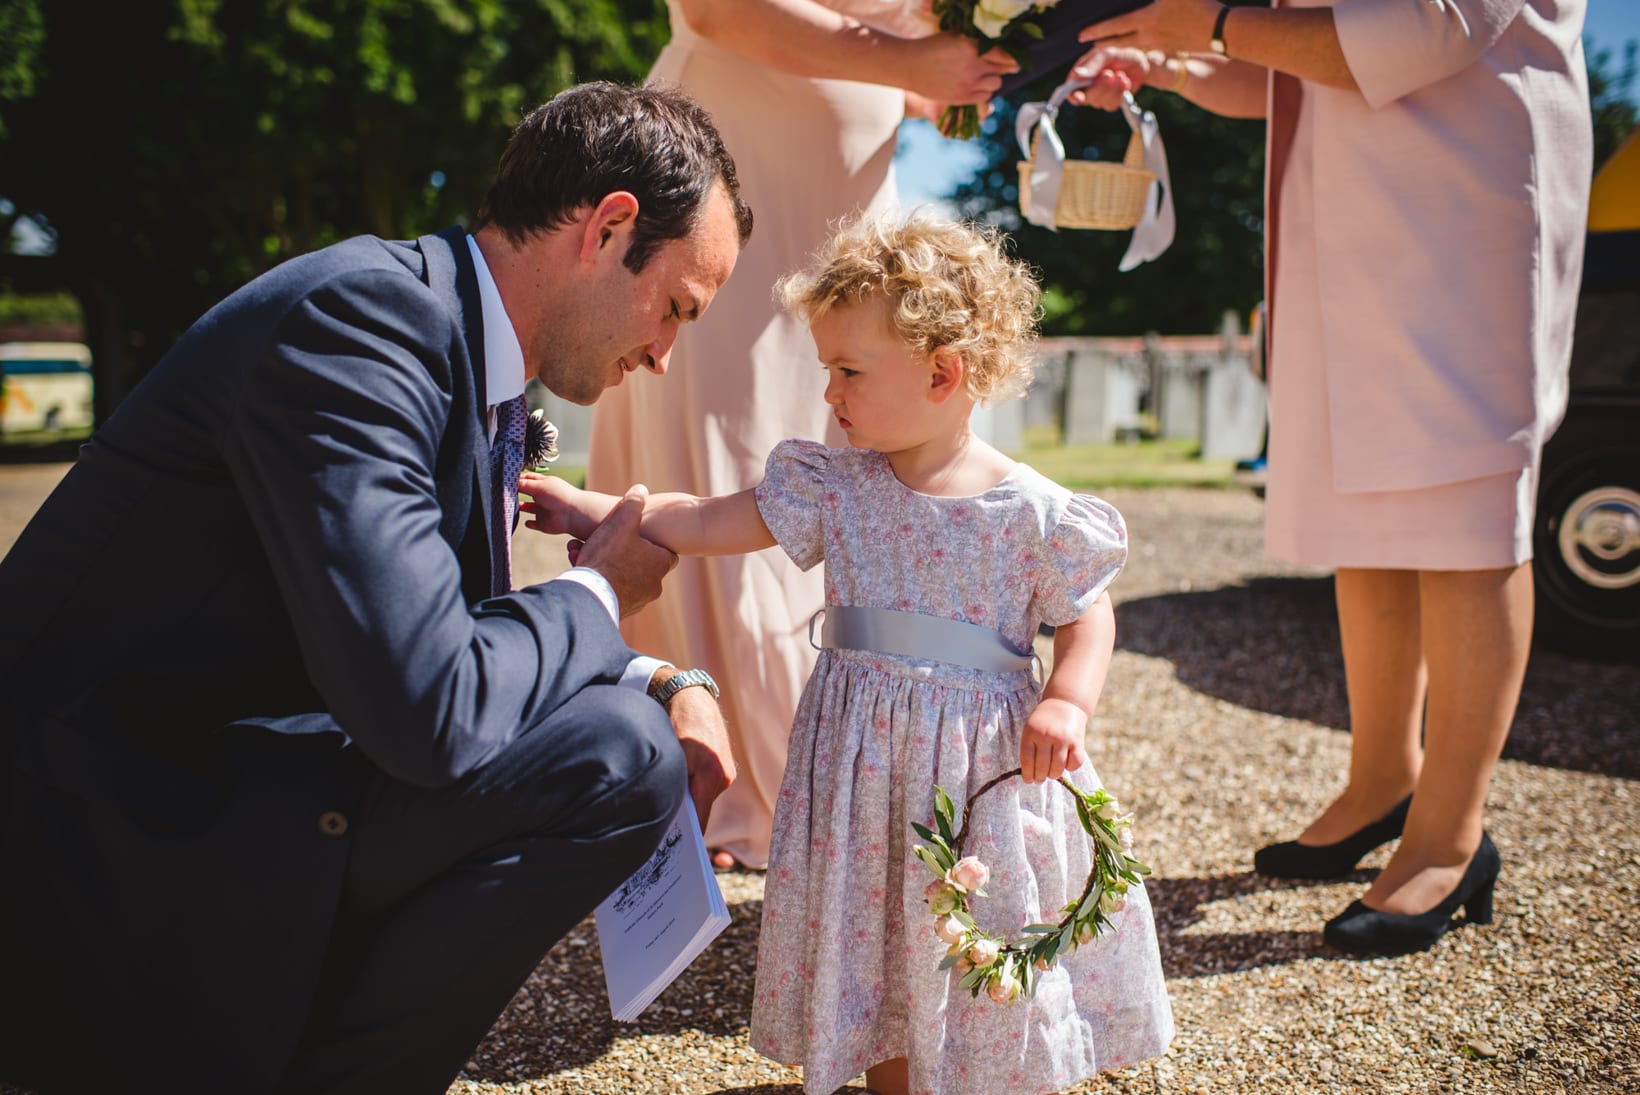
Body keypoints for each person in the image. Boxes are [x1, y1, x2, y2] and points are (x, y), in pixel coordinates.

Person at [0, 81, 749, 1095]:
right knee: (612, 765)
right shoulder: (363, 322)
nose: (664, 355)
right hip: (108, 819)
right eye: (673, 308)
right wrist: (602, 593)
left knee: (626, 731)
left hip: (224, 767)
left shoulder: (458, 352)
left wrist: (659, 678)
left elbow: (452, 640)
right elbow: (432, 710)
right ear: (610, 227)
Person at [524, 212, 1174, 1095]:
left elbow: (1087, 617)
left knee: (965, 919)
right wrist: (596, 506)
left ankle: (985, 1072)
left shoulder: (1035, 514)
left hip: (974, 767)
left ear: (944, 372)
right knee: (874, 932)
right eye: (828, 369)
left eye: (850, 371)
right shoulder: (838, 485)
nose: (830, 393)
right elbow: (706, 517)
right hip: (862, 765)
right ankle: (891, 1074)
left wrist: (1067, 699)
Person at [1069, 0, 1591, 955]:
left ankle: (1450, 830)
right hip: (1344, 227)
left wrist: (1214, 21)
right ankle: (1383, 777)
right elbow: (1288, 66)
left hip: (1465, 206)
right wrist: (1169, 60)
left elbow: (1431, 28)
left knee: (1468, 512)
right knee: (1365, 508)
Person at [586, 0, 1020, 872]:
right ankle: (725, 771)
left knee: (866, 454)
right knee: (730, 443)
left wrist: (962, 69)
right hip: (746, 161)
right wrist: (909, 63)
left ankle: (861, 776)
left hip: (847, 198)